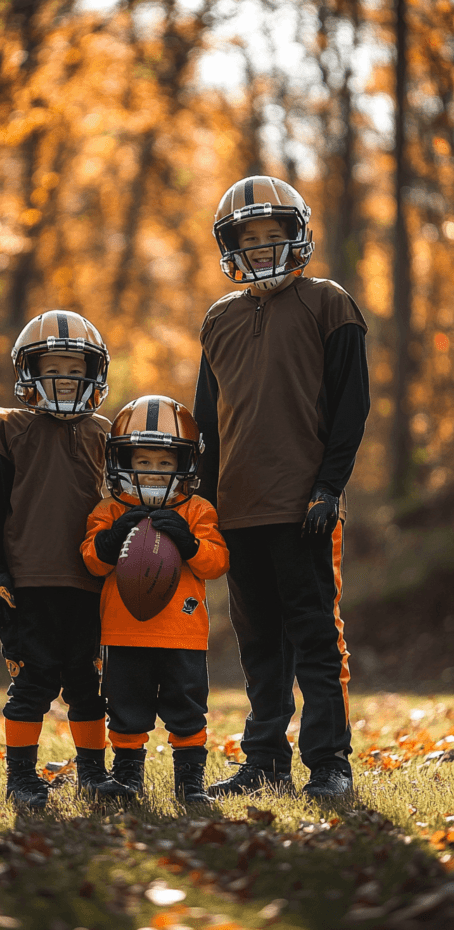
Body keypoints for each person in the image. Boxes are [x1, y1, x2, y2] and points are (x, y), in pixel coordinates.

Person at [193, 176, 370, 800]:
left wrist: (329, 487)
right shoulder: (218, 318)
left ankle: (328, 762)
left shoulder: (328, 302)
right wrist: (203, 506)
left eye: (274, 235)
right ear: (231, 245)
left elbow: (352, 408)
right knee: (259, 645)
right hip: (238, 510)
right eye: (250, 237)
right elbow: (208, 425)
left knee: (316, 638)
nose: (263, 247)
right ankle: (265, 759)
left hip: (304, 507)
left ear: (298, 236)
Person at [0, 310, 112, 808]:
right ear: (28, 371)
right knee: (34, 682)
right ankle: (22, 778)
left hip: (88, 583)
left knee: (88, 683)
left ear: (94, 374)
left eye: (76, 369)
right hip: (25, 583)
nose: (65, 378)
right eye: (54, 367)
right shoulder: (5, 427)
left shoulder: (103, 433)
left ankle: (93, 774)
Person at [81, 395, 229, 804]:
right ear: (122, 460)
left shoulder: (197, 509)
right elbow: (91, 561)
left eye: (165, 463)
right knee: (126, 710)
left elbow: (216, 562)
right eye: (143, 462)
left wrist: (188, 541)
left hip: (183, 634)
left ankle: (190, 783)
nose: (152, 472)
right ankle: (128, 779)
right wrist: (113, 539)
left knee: (187, 710)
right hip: (124, 632)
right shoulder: (109, 510)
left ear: (185, 465)